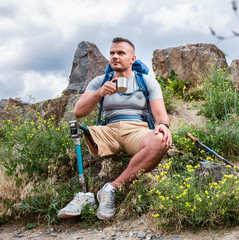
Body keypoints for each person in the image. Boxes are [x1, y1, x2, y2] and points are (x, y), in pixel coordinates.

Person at [58, 37, 172, 220]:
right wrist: (99, 93)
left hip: (137, 129)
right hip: (108, 130)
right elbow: (78, 112)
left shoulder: (146, 81)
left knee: (160, 140)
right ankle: (84, 195)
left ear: (132, 59)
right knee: (76, 127)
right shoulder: (99, 81)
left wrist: (163, 126)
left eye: (120, 53)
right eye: (112, 53)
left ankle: (110, 188)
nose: (115, 56)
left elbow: (160, 114)